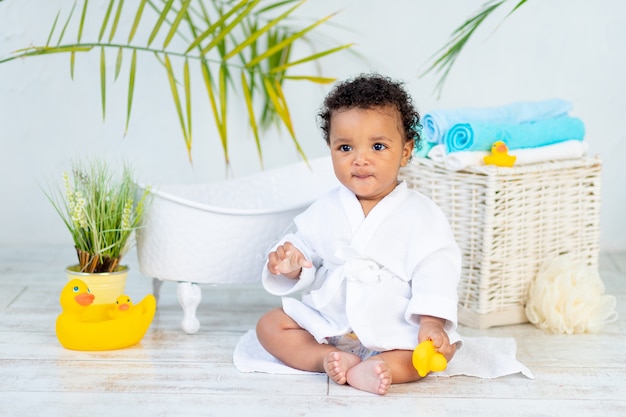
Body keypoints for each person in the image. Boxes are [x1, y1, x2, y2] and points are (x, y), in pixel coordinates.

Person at [255, 73, 462, 395]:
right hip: (331, 320)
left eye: (378, 146)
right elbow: (305, 245)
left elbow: (436, 269)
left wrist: (431, 322)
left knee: (426, 357)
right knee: (270, 325)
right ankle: (326, 358)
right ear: (331, 149)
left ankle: (380, 368)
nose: (360, 159)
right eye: (345, 147)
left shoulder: (422, 214)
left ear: (406, 151)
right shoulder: (327, 207)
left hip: (391, 325)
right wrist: (291, 261)